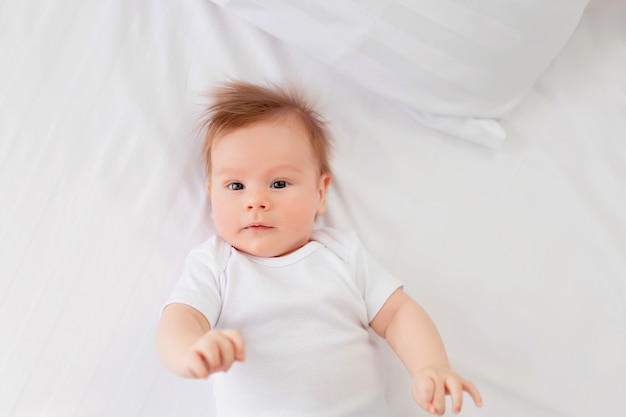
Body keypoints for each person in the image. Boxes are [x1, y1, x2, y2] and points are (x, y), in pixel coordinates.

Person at [155, 80, 483, 416]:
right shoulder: (216, 264)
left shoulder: (342, 255)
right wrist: (190, 351)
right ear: (212, 195)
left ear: (321, 192)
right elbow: (180, 317)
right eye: (236, 186)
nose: (256, 201)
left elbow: (398, 313)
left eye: (279, 183)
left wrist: (431, 365)